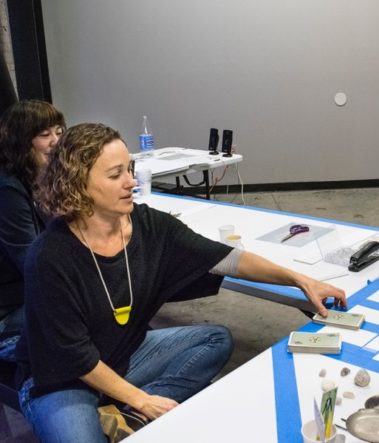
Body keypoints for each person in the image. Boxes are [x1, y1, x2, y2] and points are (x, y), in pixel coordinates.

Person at [15, 122, 347, 443]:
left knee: (215, 340)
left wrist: (300, 280)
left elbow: (225, 258)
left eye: (129, 169)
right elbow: (76, 358)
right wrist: (144, 400)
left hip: (122, 357)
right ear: (77, 184)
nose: (131, 181)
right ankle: (135, 409)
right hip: (60, 380)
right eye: (116, 175)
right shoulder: (50, 256)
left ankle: (127, 418)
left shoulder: (148, 225)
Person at [0, 100, 65, 361]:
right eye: (44, 134)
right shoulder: (7, 190)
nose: (56, 141)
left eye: (59, 132)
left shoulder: (41, 179)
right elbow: (32, 262)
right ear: (21, 141)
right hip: (10, 312)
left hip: (32, 296)